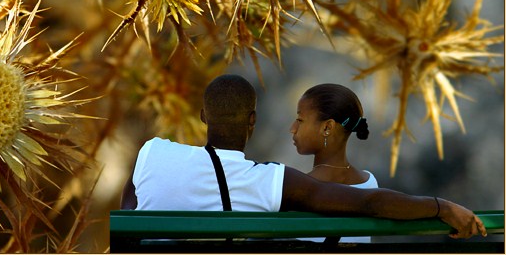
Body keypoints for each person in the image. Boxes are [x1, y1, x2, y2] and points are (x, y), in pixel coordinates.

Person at [120, 74, 487, 240]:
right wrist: (441, 207)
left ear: (202, 116)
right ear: (252, 121)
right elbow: (371, 202)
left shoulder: (152, 151)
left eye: (299, 120)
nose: (292, 129)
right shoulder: (266, 182)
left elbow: (128, 213)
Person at [290, 83, 377, 243]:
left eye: (300, 120)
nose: (292, 128)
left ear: (327, 127)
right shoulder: (370, 183)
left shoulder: (296, 190)